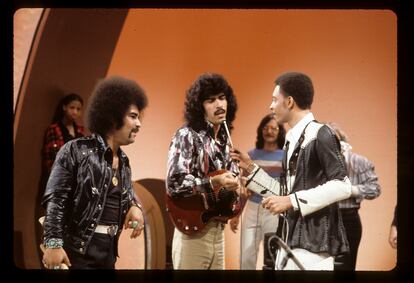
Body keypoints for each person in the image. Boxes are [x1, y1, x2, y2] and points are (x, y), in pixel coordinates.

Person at [230, 71, 352, 270]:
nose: (270, 106)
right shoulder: (291, 139)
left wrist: (291, 200)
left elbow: (343, 186)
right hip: (290, 242)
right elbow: (285, 194)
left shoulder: (321, 133)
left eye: (274, 100)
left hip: (313, 249)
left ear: (289, 102)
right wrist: (251, 169)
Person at [41, 76, 147, 269]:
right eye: (133, 116)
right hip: (77, 255)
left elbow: (123, 194)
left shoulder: (124, 161)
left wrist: (134, 206)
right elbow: (56, 199)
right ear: (113, 115)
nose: (139, 124)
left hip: (108, 255)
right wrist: (53, 243)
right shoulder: (75, 150)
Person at [166, 72, 241, 270]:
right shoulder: (186, 135)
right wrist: (214, 182)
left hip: (218, 231)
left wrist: (239, 187)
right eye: (211, 100)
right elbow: (174, 184)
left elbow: (229, 188)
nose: (219, 105)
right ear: (200, 107)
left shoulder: (225, 142)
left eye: (222, 98)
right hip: (193, 233)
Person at [229, 113, 286, 270]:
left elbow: (285, 187)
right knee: (246, 256)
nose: (269, 131)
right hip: (252, 209)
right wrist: (236, 215)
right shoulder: (251, 155)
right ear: (261, 131)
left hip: (273, 209)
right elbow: (244, 189)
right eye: (266, 128)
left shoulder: (285, 156)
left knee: (272, 256)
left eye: (274, 128)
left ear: (279, 131)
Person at [327, 122, 381, 271]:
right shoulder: (318, 162)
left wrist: (351, 190)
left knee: (346, 267)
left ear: (342, 141)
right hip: (324, 218)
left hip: (348, 219)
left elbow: (374, 189)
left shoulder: (359, 162)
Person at [43, 93, 86, 174]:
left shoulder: (80, 131)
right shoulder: (54, 129)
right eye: (72, 108)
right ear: (64, 107)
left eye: (78, 109)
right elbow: (51, 159)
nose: (75, 112)